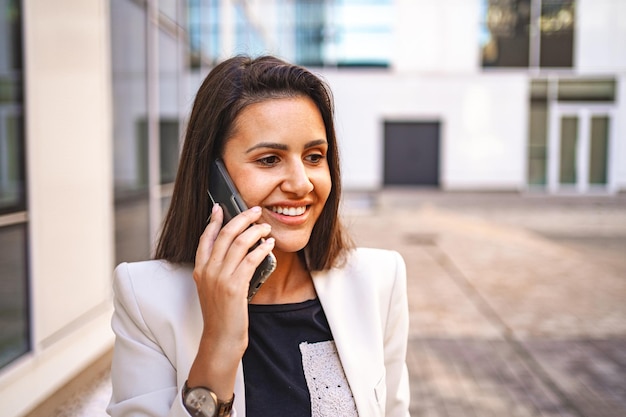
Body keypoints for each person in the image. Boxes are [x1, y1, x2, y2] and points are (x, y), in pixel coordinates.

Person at [107, 55, 410, 417]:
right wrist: (219, 343)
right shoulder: (146, 299)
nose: (301, 184)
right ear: (214, 178)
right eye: (269, 159)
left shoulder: (379, 280)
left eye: (314, 156)